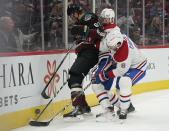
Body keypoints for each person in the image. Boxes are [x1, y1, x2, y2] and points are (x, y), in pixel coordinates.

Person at [92, 8, 147, 121]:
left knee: (124, 82)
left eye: (112, 47)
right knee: (118, 88)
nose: (110, 48)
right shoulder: (115, 39)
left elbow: (121, 70)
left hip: (138, 67)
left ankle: (124, 110)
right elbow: (105, 47)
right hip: (128, 64)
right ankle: (123, 107)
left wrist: (106, 75)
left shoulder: (123, 54)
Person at [63, 3, 104, 119]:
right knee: (73, 80)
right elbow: (83, 36)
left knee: (75, 76)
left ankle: (79, 107)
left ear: (76, 12)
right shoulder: (80, 22)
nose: (71, 18)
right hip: (85, 53)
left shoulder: (89, 17)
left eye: (71, 15)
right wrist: (79, 38)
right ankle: (83, 106)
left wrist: (83, 30)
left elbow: (100, 33)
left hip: (91, 53)